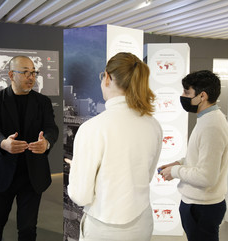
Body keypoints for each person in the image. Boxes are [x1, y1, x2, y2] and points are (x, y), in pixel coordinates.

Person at [66, 52, 163, 241]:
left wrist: (75, 170)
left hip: (104, 227)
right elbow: (147, 175)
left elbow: (80, 195)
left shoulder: (92, 128)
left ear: (108, 78)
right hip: (142, 222)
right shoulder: (153, 125)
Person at [0, 55, 59, 241]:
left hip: (32, 175)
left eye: (33, 72)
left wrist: (46, 142)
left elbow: (51, 128)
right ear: (11, 75)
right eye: (25, 72)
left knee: (27, 229)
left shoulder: (43, 102)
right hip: (3, 173)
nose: (31, 77)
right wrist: (3, 143)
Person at [159, 70, 228, 241]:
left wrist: (176, 171)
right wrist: (178, 163)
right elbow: (202, 158)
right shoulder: (208, 120)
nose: (182, 96)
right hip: (200, 205)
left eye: (187, 92)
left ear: (202, 96)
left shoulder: (211, 126)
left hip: (202, 207)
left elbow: (206, 177)